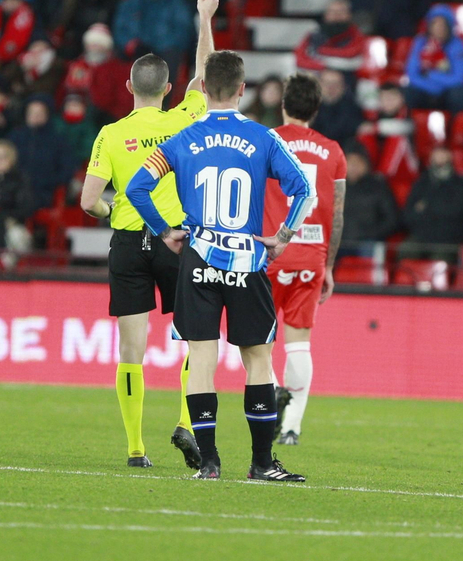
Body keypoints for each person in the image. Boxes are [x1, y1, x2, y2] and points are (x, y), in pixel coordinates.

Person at [124, 49, 314, 482]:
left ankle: (208, 463)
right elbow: (303, 190)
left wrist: (165, 230)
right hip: (246, 261)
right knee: (258, 360)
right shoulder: (264, 138)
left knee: (202, 358)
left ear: (204, 89)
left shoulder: (182, 139)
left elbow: (137, 189)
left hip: (198, 258)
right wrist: (282, 237)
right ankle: (263, 464)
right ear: (243, 90)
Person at [79, 0, 219, 469]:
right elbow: (207, 72)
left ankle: (136, 450)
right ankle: (185, 423)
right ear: (167, 89)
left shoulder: (111, 133)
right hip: (177, 240)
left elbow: (87, 201)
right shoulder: (185, 117)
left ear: (128, 86)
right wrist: (204, 17)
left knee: (131, 351)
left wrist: (113, 207)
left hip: (127, 242)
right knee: (195, 337)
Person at [262, 74, 347, 446]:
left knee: (258, 344)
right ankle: (292, 427)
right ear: (316, 108)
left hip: (269, 254)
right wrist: (328, 264)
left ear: (283, 104)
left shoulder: (267, 140)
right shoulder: (334, 151)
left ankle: (271, 400)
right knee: (299, 344)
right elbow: (338, 213)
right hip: (311, 256)